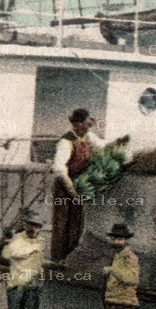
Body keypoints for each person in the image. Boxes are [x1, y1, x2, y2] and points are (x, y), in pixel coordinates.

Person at [49, 109, 95, 260]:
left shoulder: (87, 138)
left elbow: (102, 145)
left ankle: (70, 258)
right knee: (62, 224)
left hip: (78, 185)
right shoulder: (66, 141)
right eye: (86, 124)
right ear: (77, 124)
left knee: (76, 223)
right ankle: (58, 259)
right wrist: (72, 191)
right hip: (65, 186)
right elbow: (59, 168)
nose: (88, 127)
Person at [0, 214, 46, 309]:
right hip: (17, 286)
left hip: (33, 286)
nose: (32, 228)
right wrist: (32, 250)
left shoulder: (41, 241)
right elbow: (9, 254)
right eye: (30, 225)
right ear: (25, 225)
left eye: (36, 226)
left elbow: (38, 261)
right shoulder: (18, 239)